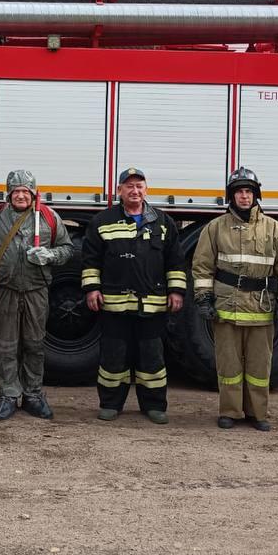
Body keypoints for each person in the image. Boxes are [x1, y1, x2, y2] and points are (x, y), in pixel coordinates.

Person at [191, 167, 278, 431]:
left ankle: (258, 413)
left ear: (256, 195)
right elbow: (202, 266)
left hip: (261, 307)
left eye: (248, 191)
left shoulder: (274, 229)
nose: (244, 197)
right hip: (226, 306)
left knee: (259, 366)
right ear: (231, 196)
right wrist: (203, 298)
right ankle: (230, 411)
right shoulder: (215, 228)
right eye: (239, 191)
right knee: (228, 364)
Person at [80, 168, 187, 424]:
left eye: (139, 186)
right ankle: (110, 404)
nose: (134, 190)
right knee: (113, 356)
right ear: (119, 191)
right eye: (129, 186)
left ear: (146, 189)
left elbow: (175, 261)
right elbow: (91, 259)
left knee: (152, 356)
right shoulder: (103, 221)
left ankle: (154, 405)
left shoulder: (163, 222)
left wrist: (176, 291)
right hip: (114, 305)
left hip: (152, 305)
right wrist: (92, 289)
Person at [0, 170, 74, 421]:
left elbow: (67, 249)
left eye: (25, 191)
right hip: (6, 290)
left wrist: (50, 256)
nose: (21, 196)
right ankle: (7, 395)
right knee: (6, 345)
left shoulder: (48, 217)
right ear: (9, 194)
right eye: (16, 191)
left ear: (33, 193)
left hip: (37, 291)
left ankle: (33, 395)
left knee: (35, 344)